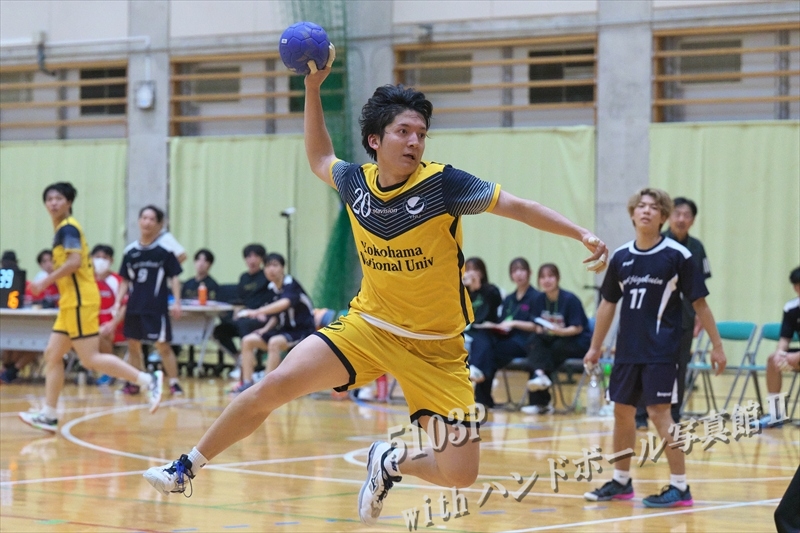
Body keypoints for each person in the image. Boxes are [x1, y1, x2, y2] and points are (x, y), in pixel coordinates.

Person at [144, 49, 608, 527]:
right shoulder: (355, 184)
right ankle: (184, 467)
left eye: (421, 134)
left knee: (460, 473)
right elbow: (319, 157)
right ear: (375, 139)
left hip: (437, 349)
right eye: (403, 132)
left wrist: (581, 234)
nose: (414, 142)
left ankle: (390, 460)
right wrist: (311, 88)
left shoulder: (443, 185)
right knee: (274, 384)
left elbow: (517, 206)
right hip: (369, 327)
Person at [583, 187, 726, 508]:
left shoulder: (678, 255)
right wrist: (595, 347)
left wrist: (717, 346)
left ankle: (680, 487)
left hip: (662, 351)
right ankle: (621, 481)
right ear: (632, 214)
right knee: (622, 413)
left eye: (653, 207)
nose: (646, 210)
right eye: (641, 206)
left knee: (660, 414)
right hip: (627, 350)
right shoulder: (621, 257)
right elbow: (607, 304)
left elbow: (700, 304)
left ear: (663, 216)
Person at [19, 182, 162, 432]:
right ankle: (49, 415)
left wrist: (45, 281)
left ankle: (147, 380)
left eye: (58, 198)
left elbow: (74, 262)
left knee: (90, 358)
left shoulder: (68, 228)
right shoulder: (61, 230)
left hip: (80, 301)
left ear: (69, 202)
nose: (53, 203)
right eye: (49, 199)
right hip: (69, 303)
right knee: (53, 355)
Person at [635, 196, 711, 430]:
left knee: (679, 366)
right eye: (677, 213)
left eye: (686, 215)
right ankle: (640, 414)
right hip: (654, 317)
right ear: (668, 217)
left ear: (693, 220)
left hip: (684, 318)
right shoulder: (657, 243)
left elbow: (700, 290)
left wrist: (699, 317)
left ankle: (675, 415)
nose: (681, 219)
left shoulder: (697, 248)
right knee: (647, 365)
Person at [116, 205, 184, 396]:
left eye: (152, 219)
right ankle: (136, 382)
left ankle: (174, 382)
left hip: (156, 307)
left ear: (159, 225)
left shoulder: (164, 251)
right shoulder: (130, 252)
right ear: (139, 221)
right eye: (144, 218)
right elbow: (125, 280)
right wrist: (117, 302)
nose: (147, 222)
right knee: (133, 345)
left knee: (163, 346)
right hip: (134, 306)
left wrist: (177, 302)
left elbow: (174, 277)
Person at [230, 253, 316, 393]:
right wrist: (265, 329)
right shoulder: (272, 288)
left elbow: (284, 304)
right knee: (248, 341)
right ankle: (247, 383)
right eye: (268, 266)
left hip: (302, 331)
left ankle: (266, 388)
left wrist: (257, 311)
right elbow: (276, 316)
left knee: (274, 342)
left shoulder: (291, 284)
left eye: (275, 265)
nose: (271, 269)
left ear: (282, 268)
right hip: (283, 330)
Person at [468, 257, 540, 409]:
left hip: (526, 342)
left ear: (529, 273)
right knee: (487, 347)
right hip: (508, 339)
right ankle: (483, 398)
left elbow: (537, 325)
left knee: (490, 351)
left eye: (522, 270)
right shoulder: (509, 299)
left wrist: (514, 323)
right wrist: (494, 326)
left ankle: (481, 391)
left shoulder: (536, 297)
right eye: (514, 271)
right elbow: (502, 322)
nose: (518, 274)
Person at [524, 263, 591, 413]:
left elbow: (578, 328)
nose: (546, 280)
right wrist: (540, 329)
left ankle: (540, 400)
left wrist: (560, 331)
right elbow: (536, 323)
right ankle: (540, 378)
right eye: (542, 277)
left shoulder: (570, 299)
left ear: (558, 278)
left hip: (575, 341)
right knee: (534, 342)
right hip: (553, 339)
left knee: (546, 352)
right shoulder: (538, 299)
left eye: (550, 276)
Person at [212, 244, 271, 358]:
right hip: (245, 315)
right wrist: (236, 311)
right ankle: (238, 357)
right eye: (249, 256)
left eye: (256, 256)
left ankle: (249, 359)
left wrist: (262, 312)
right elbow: (240, 300)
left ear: (262, 259)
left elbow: (272, 297)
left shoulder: (266, 276)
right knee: (219, 330)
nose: (252, 260)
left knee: (244, 325)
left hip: (260, 316)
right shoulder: (244, 277)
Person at [759, 266, 800, 428]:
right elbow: (785, 338)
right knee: (772, 360)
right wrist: (780, 354)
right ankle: (775, 415)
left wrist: (797, 356)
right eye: (796, 285)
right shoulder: (791, 308)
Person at [463, 256, 502, 383]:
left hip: (485, 330)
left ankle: (476, 369)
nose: (471, 273)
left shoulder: (491, 290)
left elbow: (494, 303)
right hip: (466, 330)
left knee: (483, 341)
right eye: (468, 269)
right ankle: (477, 371)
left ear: (482, 272)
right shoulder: (461, 292)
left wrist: (478, 288)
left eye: (475, 269)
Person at [92, 244, 127, 356]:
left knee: (100, 334)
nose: (101, 261)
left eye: (105, 257)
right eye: (97, 257)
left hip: (114, 327)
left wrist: (113, 324)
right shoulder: (87, 281)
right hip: (91, 324)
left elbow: (124, 306)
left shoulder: (118, 280)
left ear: (111, 260)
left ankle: (108, 365)